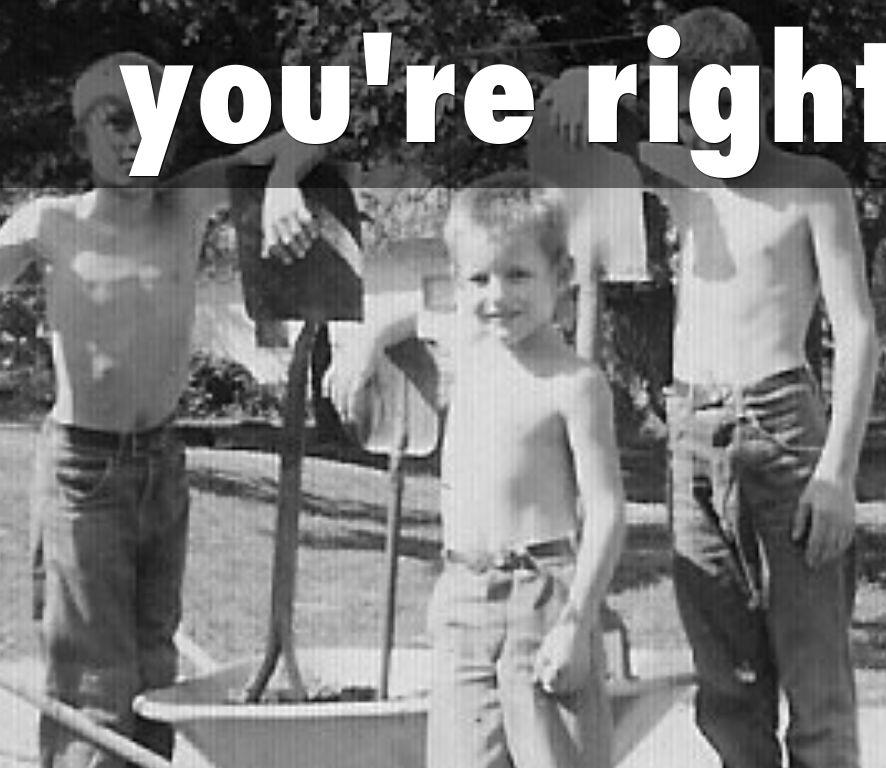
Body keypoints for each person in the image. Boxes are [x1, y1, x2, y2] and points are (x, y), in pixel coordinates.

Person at [541, 7, 880, 768]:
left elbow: (858, 332)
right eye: (685, 118)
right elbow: (571, 105)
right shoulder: (679, 176)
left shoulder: (813, 185)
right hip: (692, 436)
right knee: (728, 685)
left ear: (759, 96)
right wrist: (588, 85)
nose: (701, 134)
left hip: (785, 431)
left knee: (816, 680)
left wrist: (836, 474)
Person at [0, 51, 329, 767]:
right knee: (94, 676)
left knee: (155, 662)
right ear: (81, 138)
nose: (135, 139)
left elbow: (314, 130)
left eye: (153, 122)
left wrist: (279, 186)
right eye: (118, 122)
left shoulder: (185, 203)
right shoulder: (50, 224)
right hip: (82, 473)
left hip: (161, 462)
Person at [334, 171, 626, 768]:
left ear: (562, 275)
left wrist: (577, 622)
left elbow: (606, 511)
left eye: (518, 275)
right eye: (478, 278)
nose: (497, 295)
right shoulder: (466, 345)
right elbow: (408, 318)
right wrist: (365, 347)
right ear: (457, 280)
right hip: (463, 596)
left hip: (543, 597)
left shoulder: (574, 384)